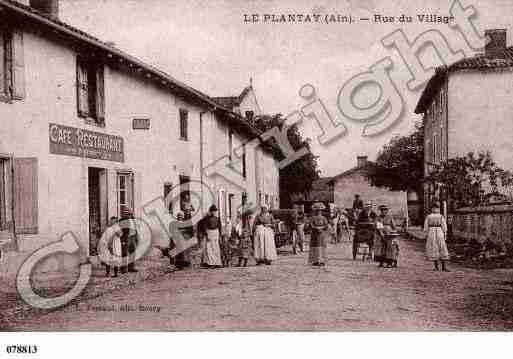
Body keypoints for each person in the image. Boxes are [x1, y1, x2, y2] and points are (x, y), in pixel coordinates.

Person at [424, 204, 450, 272]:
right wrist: (445, 234)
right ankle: (443, 267)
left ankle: (437, 267)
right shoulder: (440, 216)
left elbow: (426, 227)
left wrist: (426, 234)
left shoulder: (429, 216)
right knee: (441, 247)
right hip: (439, 231)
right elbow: (444, 226)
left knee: (435, 247)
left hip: (432, 232)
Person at [308, 202, 330, 266]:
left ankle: (322, 261)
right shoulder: (312, 218)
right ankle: (315, 261)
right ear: (315, 211)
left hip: (321, 235)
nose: (318, 212)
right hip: (315, 235)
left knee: (322, 247)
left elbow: (326, 225)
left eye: (319, 211)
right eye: (317, 211)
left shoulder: (324, 218)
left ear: (321, 211)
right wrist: (316, 228)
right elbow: (311, 225)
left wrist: (321, 228)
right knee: (315, 247)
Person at [120, 207, 138, 273]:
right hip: (126, 238)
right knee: (124, 253)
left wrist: (136, 238)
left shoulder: (134, 220)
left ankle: (131, 267)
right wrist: (122, 239)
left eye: (130, 213)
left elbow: (136, 229)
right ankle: (123, 269)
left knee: (132, 253)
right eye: (128, 214)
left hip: (132, 237)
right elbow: (120, 230)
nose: (130, 215)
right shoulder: (122, 220)